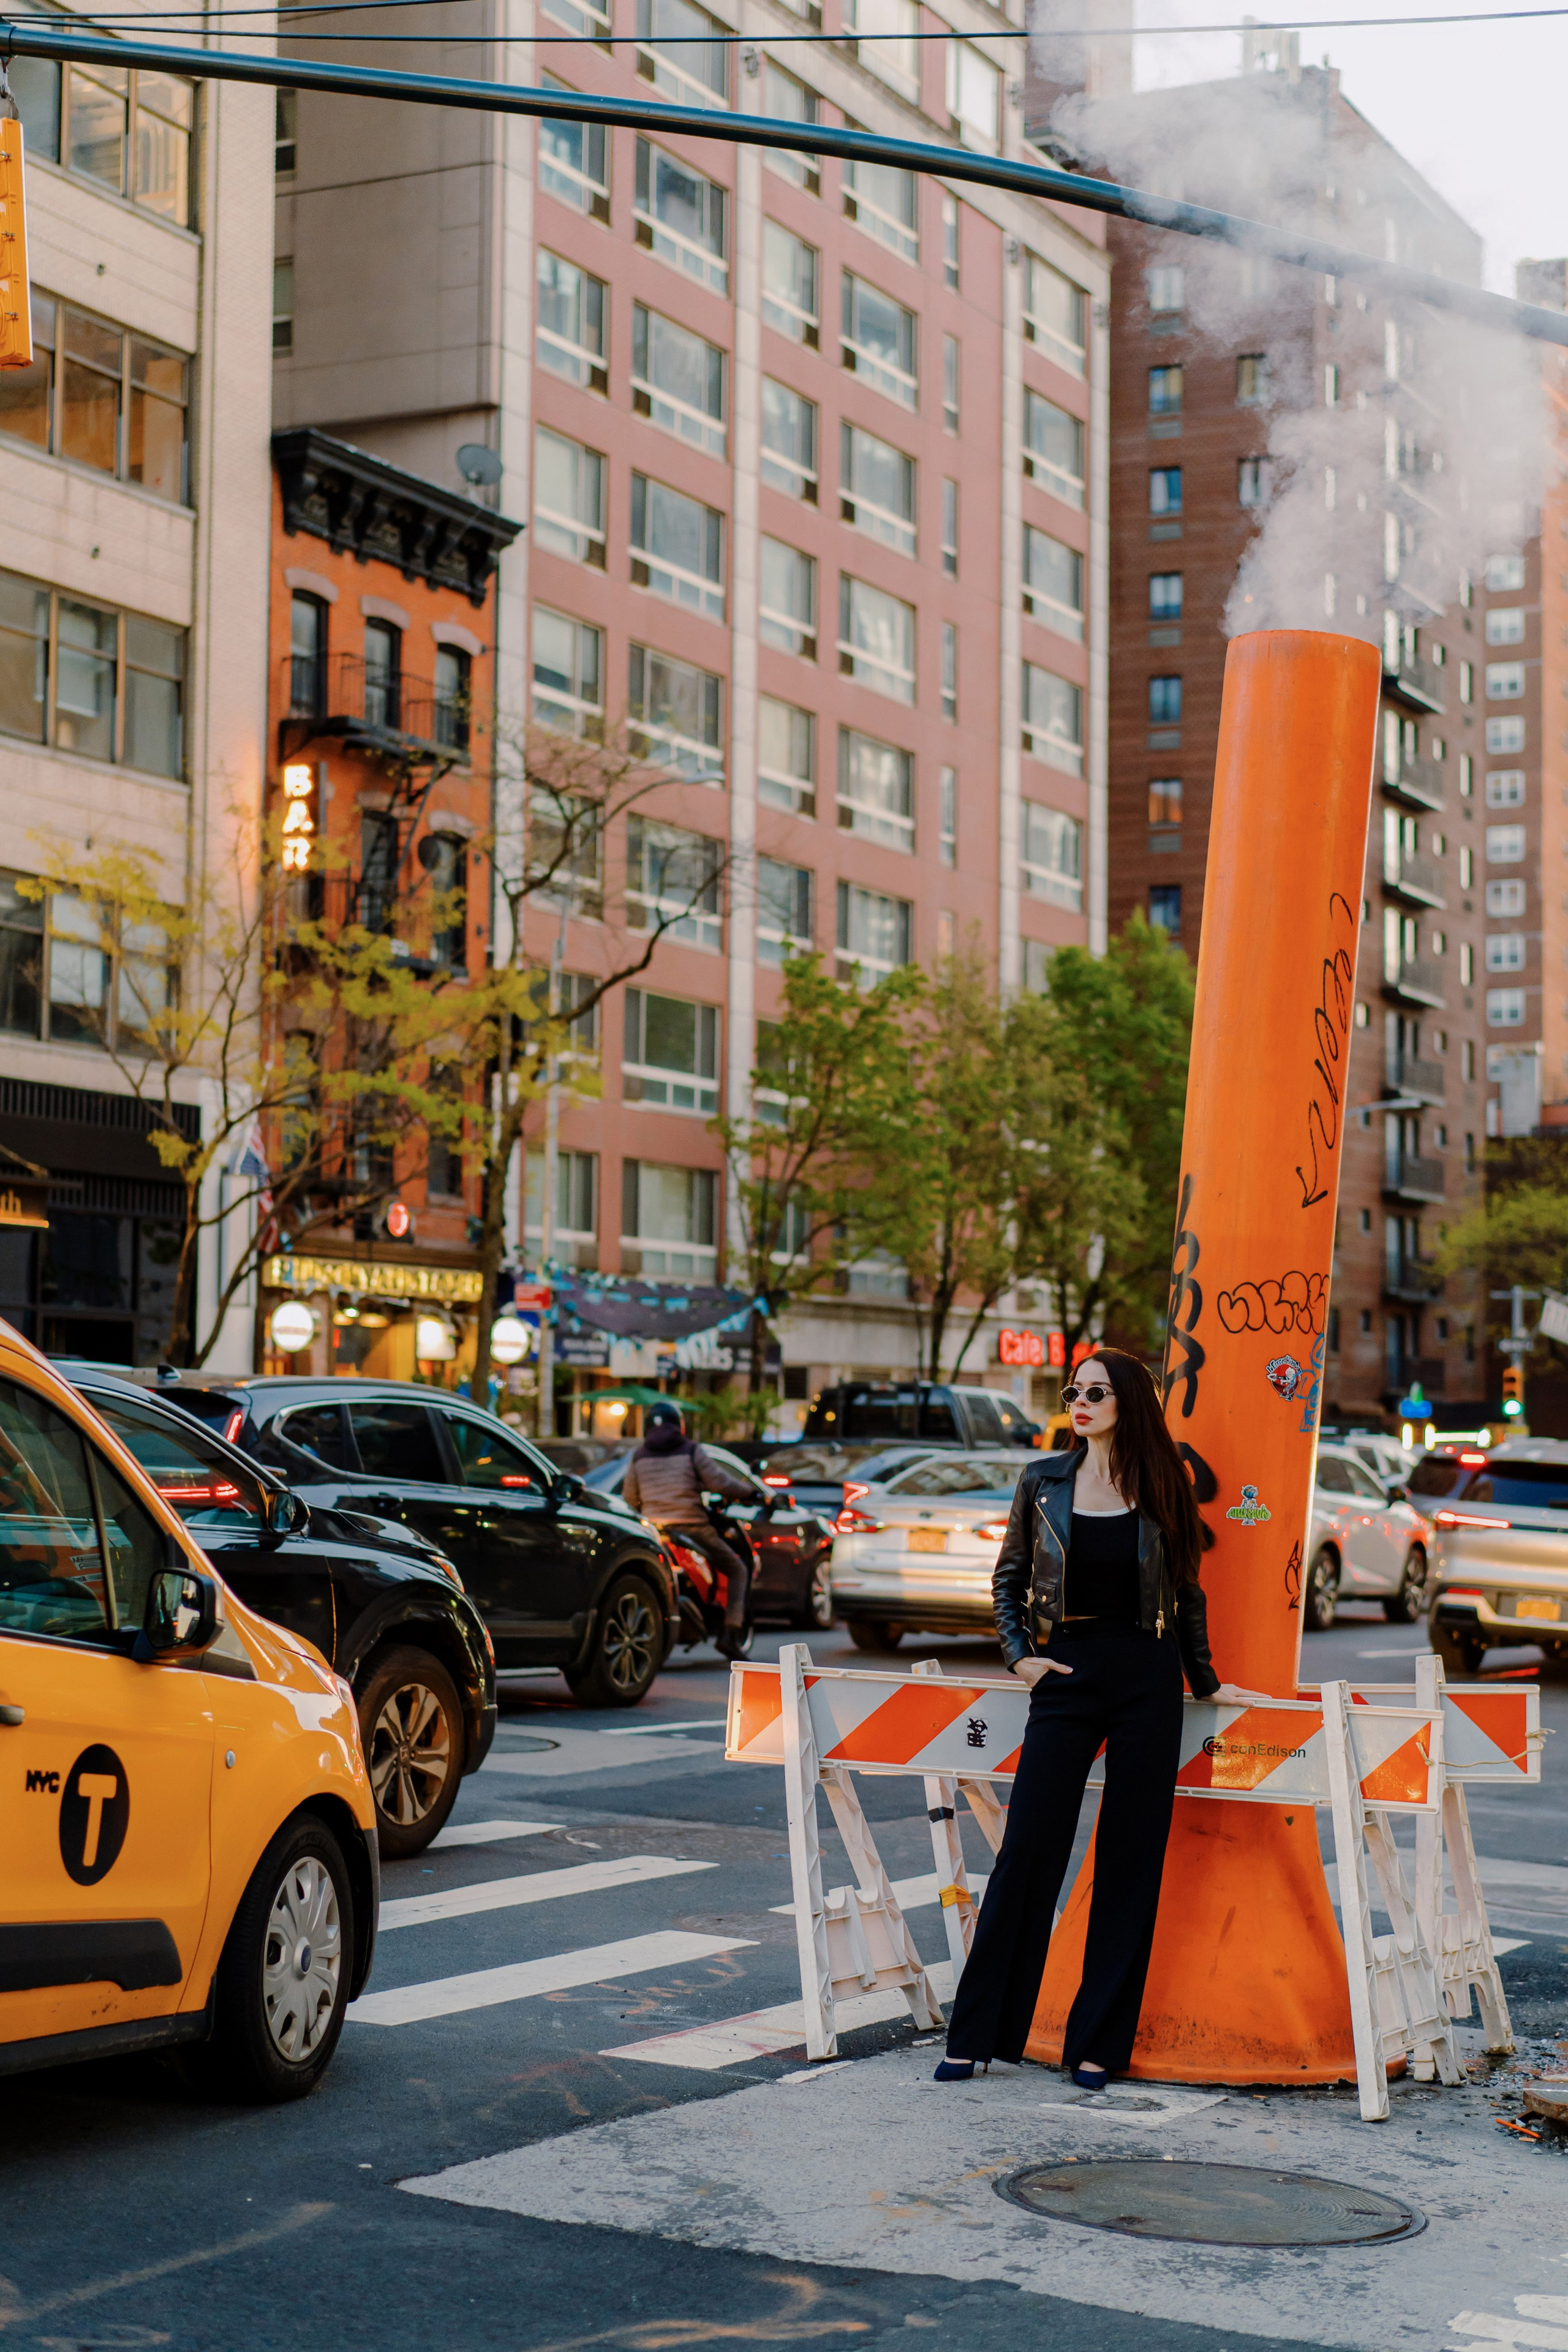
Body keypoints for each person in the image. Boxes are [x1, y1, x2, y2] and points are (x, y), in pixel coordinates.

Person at [937, 1347, 1253, 2091]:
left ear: (1128, 1403)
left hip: (1146, 1676)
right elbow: (1009, 1578)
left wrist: (1206, 1679)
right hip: (1067, 1672)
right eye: (1072, 1392)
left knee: (1128, 1861)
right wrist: (1020, 1657)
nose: (1079, 1403)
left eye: (1095, 1393)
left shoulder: (1163, 1483)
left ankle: (1098, 2045)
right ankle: (977, 2034)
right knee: (1027, 1850)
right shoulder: (1043, 1481)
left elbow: (1187, 1591)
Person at [623, 1402, 766, 1659]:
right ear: (679, 1425)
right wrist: (752, 1493)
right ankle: (730, 1634)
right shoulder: (690, 1450)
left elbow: (630, 1499)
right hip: (692, 1528)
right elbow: (719, 1482)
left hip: (655, 1531)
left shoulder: (639, 1456)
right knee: (738, 1570)